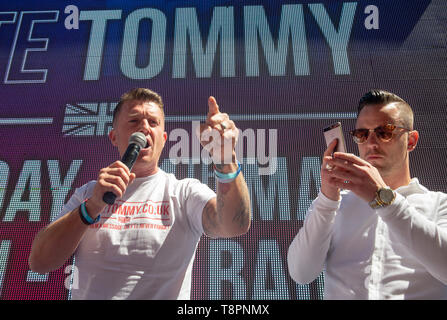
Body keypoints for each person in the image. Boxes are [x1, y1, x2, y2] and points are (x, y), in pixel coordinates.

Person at [28, 88, 251, 299]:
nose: (144, 127)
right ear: (114, 137)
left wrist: (226, 158)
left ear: (163, 140)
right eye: (134, 121)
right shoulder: (88, 194)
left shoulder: (183, 193)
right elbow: (39, 262)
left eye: (153, 122)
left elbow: (233, 225)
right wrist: (91, 207)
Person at [287, 89, 447, 299]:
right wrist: (327, 198)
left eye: (385, 132)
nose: (371, 143)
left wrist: (383, 199)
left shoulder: (439, 204)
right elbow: (301, 273)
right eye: (362, 134)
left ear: (411, 140)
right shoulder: (335, 205)